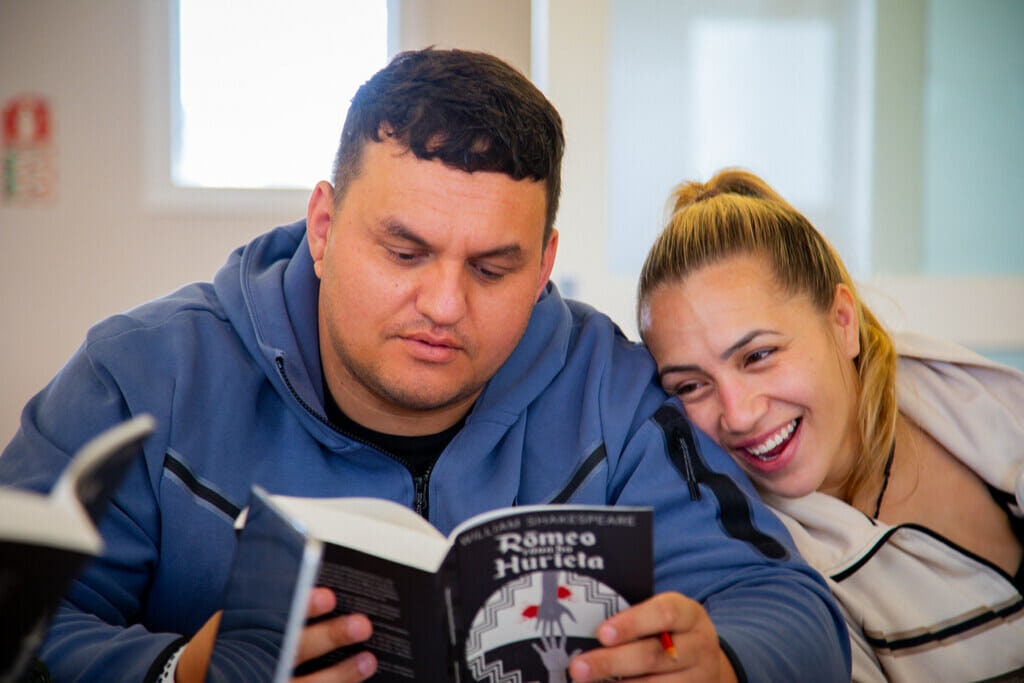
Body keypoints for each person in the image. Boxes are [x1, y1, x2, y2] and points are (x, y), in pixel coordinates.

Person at [0, 50, 850, 682]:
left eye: (493, 268)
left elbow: (794, 608)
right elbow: (17, 629)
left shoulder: (610, 389)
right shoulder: (143, 375)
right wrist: (180, 670)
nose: (445, 305)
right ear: (324, 227)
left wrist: (729, 662)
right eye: (405, 251)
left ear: (546, 262)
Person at [637, 168, 1024, 682]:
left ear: (842, 323)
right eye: (691, 386)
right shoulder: (766, 572)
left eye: (759, 355)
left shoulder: (968, 395)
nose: (739, 413)